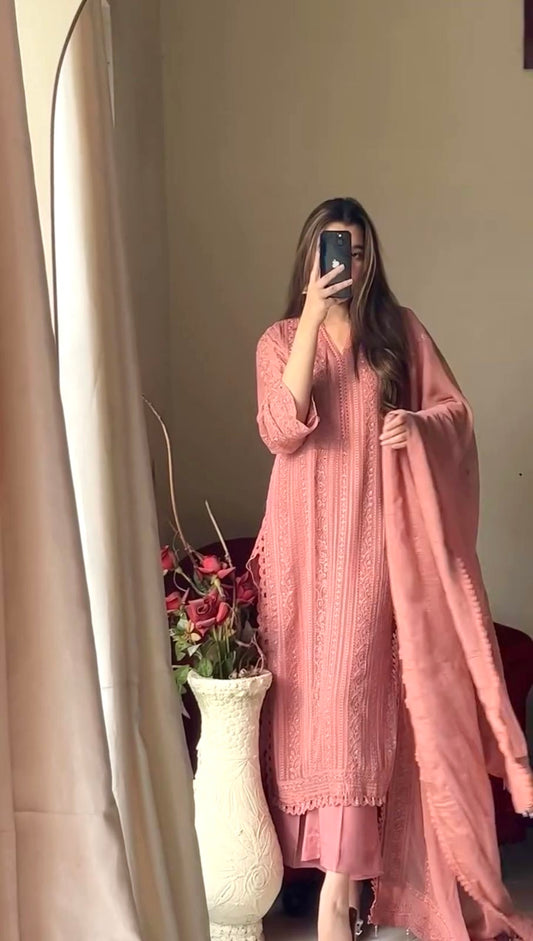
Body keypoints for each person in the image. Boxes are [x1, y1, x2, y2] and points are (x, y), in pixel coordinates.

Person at [250, 197, 533, 941]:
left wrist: (417, 425)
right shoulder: (279, 339)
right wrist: (312, 317)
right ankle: (335, 884)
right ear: (309, 256)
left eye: (355, 250)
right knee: (312, 715)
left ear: (371, 257)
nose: (346, 263)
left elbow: (455, 416)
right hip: (301, 556)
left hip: (376, 545)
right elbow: (280, 429)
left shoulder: (398, 333)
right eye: (331, 249)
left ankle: (336, 893)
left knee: (354, 703)